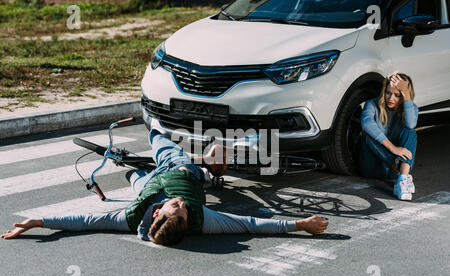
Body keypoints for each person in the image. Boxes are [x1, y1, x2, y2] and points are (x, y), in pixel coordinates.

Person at [2, 120, 329, 245]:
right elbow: (251, 224)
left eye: (177, 207)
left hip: (150, 184)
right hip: (183, 171)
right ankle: (221, 155)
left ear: (156, 214)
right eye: (184, 211)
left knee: (139, 169)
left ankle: (154, 129)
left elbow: (84, 220)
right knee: (174, 156)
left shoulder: (131, 218)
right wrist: (299, 224)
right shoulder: (203, 220)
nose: (183, 205)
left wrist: (37, 221)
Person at [358, 72, 418, 200]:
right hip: (371, 167)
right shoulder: (372, 104)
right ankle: (401, 174)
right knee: (369, 134)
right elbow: (366, 123)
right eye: (388, 93)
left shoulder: (411, 108)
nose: (391, 98)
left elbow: (411, 124)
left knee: (411, 131)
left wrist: (406, 94)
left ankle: (402, 179)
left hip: (393, 172)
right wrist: (393, 149)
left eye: (397, 95)